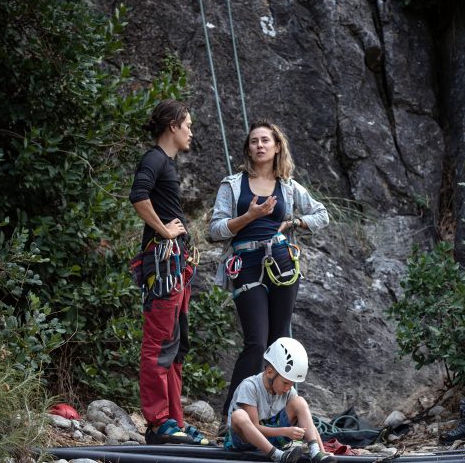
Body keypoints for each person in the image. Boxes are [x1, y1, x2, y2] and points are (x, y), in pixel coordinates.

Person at [209, 119, 329, 424]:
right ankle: (233, 417)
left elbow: (322, 214)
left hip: (281, 263)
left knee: (280, 342)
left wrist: (296, 223)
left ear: (277, 147)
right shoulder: (233, 184)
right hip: (246, 263)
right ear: (248, 149)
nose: (259, 145)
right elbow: (216, 230)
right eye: (254, 141)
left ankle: (278, 419)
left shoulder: (287, 186)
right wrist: (249, 216)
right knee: (257, 342)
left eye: (265, 140)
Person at [129, 99, 208, 445]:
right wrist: (164, 230)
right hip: (162, 264)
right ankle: (159, 421)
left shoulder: (166, 163)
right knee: (159, 344)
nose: (191, 131)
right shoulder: (154, 159)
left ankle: (173, 420)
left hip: (175, 266)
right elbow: (138, 196)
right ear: (173, 126)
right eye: (188, 125)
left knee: (176, 346)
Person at [225, 337, 337, 463]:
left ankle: (315, 453)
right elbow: (255, 427)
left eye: (292, 384)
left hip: (273, 438)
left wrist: (321, 450)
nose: (289, 388)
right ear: (270, 372)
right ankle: (279, 456)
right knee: (239, 415)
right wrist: (286, 431)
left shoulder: (288, 391)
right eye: (285, 383)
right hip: (246, 441)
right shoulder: (250, 386)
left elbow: (308, 423)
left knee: (300, 402)